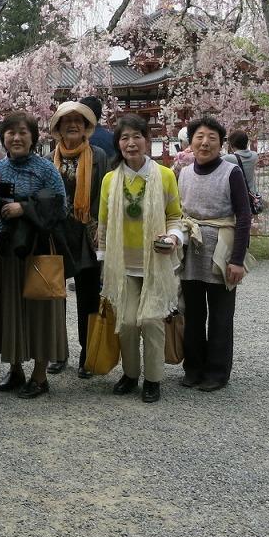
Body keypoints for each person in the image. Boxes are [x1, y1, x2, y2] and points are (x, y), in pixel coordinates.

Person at [98, 114, 185, 403]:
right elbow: (104, 223)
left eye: (137, 136)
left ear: (147, 141)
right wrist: (104, 260)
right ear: (118, 144)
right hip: (123, 264)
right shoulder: (111, 180)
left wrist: (173, 239)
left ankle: (153, 379)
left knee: (149, 320)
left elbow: (175, 216)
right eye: (124, 138)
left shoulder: (165, 175)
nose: (131, 143)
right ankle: (131, 374)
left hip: (155, 263)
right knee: (127, 321)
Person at [0, 111, 69, 398]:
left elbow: (62, 208)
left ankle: (39, 376)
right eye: (11, 132)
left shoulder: (46, 169)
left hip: (38, 250)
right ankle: (15, 369)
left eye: (23, 132)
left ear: (33, 137)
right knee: (10, 309)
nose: (16, 137)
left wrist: (24, 208)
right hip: (8, 250)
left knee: (40, 311)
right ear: (3, 138)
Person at [177, 116, 251, 392]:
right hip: (191, 250)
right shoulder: (183, 173)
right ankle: (193, 368)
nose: (205, 142)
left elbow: (244, 217)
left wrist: (237, 260)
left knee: (221, 314)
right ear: (191, 141)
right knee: (192, 313)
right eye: (199, 136)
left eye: (211, 137)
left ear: (221, 144)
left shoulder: (231, 172)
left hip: (222, 247)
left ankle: (217, 372)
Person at [47, 99, 108, 378]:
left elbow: (104, 195)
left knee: (88, 296)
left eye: (79, 121)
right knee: (55, 296)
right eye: (66, 121)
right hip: (57, 234)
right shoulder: (49, 160)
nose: (72, 125)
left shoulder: (98, 156)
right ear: (58, 128)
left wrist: (99, 228)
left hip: (87, 232)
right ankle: (58, 352)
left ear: (86, 127)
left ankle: (88, 353)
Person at [222, 130, 259, 195]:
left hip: (240, 197)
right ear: (247, 142)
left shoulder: (229, 158)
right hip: (252, 195)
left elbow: (213, 161)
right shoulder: (254, 156)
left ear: (231, 145)